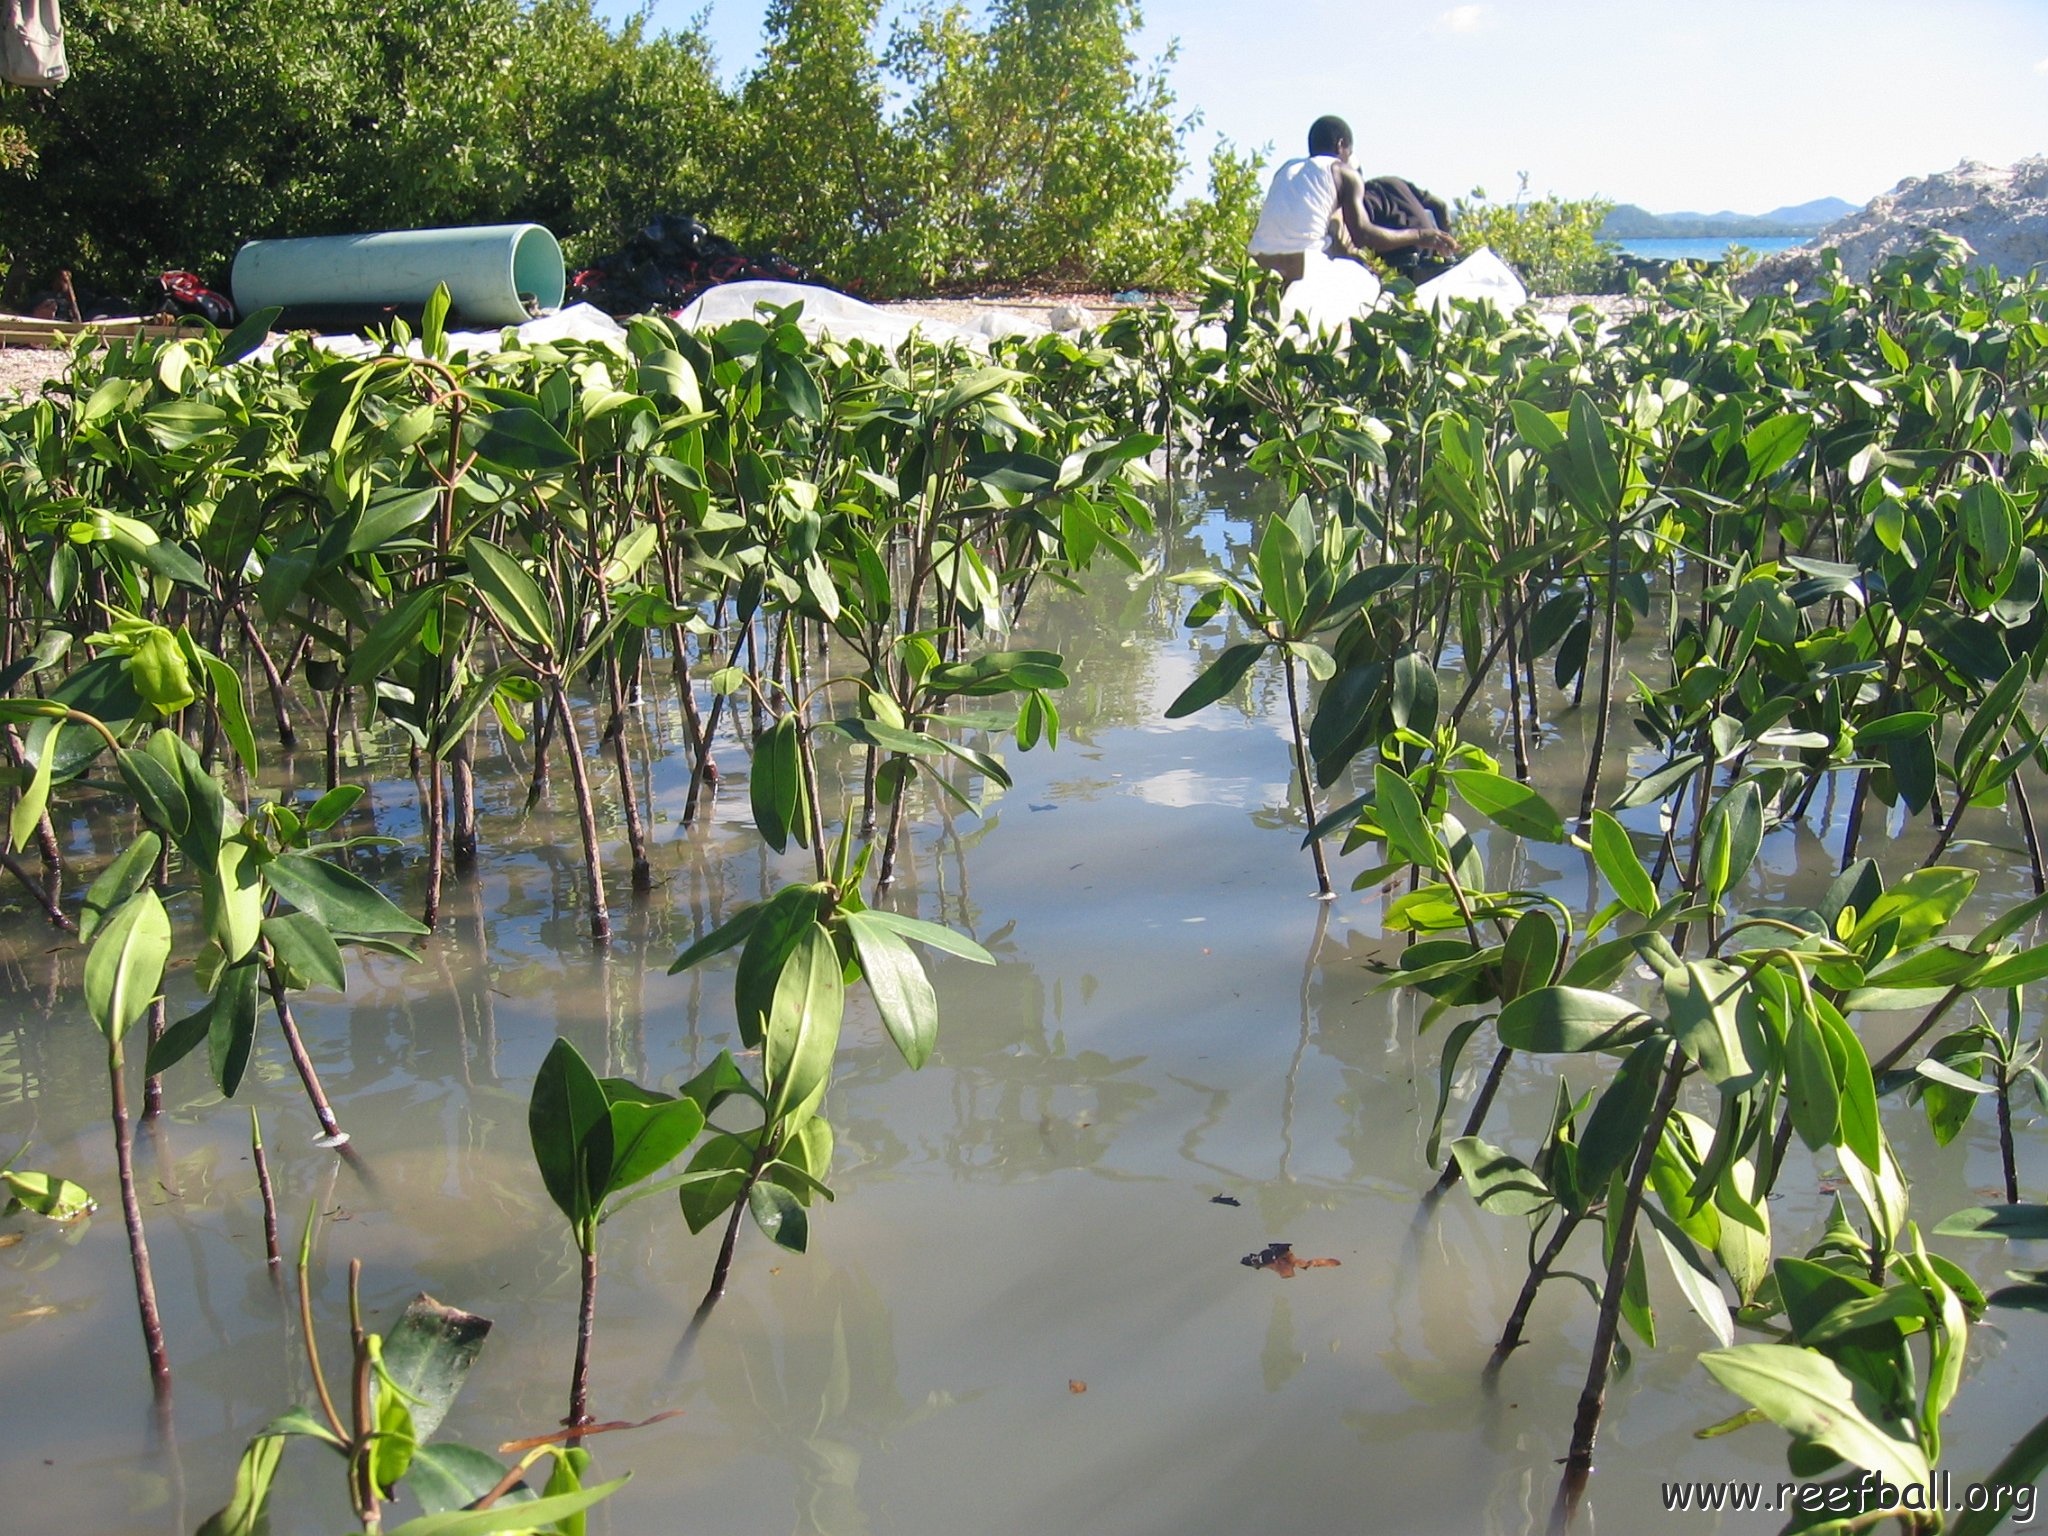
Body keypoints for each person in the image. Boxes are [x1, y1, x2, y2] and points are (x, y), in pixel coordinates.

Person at [1248, 115, 1458, 285]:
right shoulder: (1343, 172)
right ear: (1342, 145)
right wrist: (1420, 235)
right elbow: (1363, 236)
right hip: (1302, 264)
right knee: (1370, 286)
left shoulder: (1286, 168)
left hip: (1257, 263)